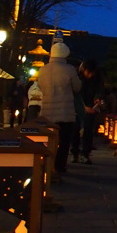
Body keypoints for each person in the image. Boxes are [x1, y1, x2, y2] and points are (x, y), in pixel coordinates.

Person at [35, 41, 81, 174]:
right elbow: (77, 87)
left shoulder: (43, 70)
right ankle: (60, 166)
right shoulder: (69, 69)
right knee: (64, 140)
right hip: (65, 111)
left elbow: (40, 86)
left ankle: (46, 164)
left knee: (48, 140)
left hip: (47, 112)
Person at [75, 59, 104, 164]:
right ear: (84, 70)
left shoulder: (97, 77)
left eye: (92, 73)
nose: (90, 75)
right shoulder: (77, 77)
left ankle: (85, 153)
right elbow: (75, 94)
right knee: (75, 130)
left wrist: (98, 98)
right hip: (78, 107)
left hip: (91, 107)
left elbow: (99, 89)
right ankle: (75, 152)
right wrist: (82, 107)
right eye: (88, 72)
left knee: (88, 130)